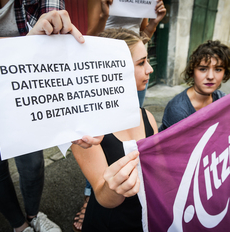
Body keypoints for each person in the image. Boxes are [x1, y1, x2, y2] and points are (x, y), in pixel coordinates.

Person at [0, 1, 102, 232]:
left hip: (25, 87)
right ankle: (20, 227)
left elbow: (55, 34)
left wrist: (71, 118)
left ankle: (34, 215)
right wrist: (26, 47)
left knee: (32, 161)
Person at [72, 3, 166, 231]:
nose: (150, 70)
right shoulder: (86, 132)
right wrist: (114, 188)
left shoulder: (148, 117)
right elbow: (105, 198)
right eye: (142, 63)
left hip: (147, 216)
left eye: (148, 61)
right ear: (116, 69)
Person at [159, 40, 230, 132]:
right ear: (192, 72)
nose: (211, 76)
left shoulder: (221, 98)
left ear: (225, 73)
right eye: (203, 69)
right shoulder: (178, 109)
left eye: (218, 69)